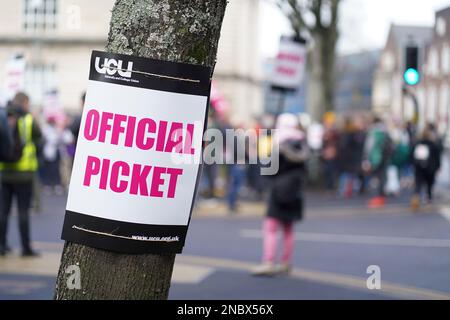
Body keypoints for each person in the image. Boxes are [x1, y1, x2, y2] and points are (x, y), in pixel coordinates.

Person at [252, 113, 308, 276]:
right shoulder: (302, 143)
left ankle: (268, 262)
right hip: (296, 190)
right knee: (288, 228)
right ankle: (286, 262)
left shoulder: (280, 143)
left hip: (279, 189)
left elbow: (269, 170)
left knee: (270, 226)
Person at [0, 92, 41, 257]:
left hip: (4, 172)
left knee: (3, 211)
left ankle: (1, 246)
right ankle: (26, 248)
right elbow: (39, 139)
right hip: (24, 173)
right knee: (23, 211)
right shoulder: (28, 119)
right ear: (24, 102)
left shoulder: (3, 116)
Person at [362, 117, 392, 208]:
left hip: (375, 158)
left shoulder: (373, 132)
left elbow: (369, 147)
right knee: (382, 176)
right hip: (385, 157)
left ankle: (376, 197)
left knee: (374, 177)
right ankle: (382, 196)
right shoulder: (385, 132)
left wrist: (366, 158)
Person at [410, 126, 442, 210]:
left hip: (419, 168)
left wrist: (414, 165)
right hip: (430, 168)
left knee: (418, 184)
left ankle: (416, 197)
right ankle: (428, 200)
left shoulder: (417, 144)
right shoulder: (433, 145)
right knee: (429, 185)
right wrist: (438, 167)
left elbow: (412, 156)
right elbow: (437, 157)